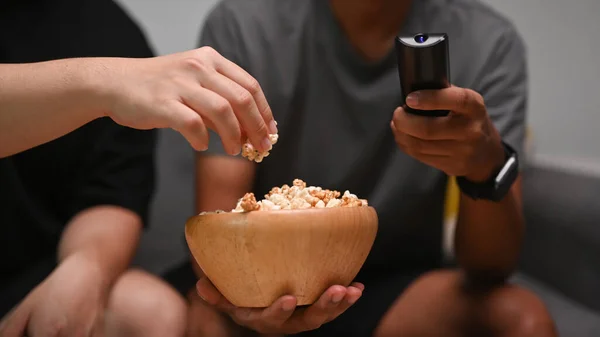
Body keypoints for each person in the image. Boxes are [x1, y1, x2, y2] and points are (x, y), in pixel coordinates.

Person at [162, 0, 559, 336]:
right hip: (254, 274)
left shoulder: (488, 42)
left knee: (522, 317)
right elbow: (216, 229)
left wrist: (485, 166)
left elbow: (492, 268)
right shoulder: (246, 23)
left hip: (389, 281)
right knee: (201, 312)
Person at [0, 0, 272, 336]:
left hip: (34, 269)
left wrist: (87, 268)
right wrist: (103, 83)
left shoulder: (108, 31)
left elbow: (111, 192)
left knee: (152, 311)